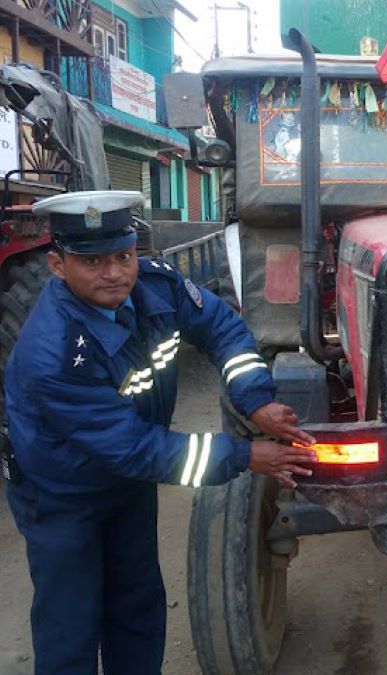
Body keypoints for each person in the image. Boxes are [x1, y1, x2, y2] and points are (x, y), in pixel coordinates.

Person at [2, 190, 319, 675]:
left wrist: (255, 400)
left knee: (137, 603)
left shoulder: (155, 285)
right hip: (62, 495)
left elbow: (223, 329)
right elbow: (135, 449)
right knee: (70, 623)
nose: (114, 273)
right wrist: (245, 456)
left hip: (125, 485)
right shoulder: (55, 353)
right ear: (57, 265)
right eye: (92, 261)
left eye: (123, 256)